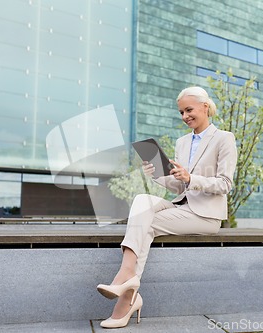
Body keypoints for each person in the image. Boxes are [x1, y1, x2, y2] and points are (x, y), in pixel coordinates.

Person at [96, 86, 238, 328]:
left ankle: (126, 293)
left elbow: (225, 184)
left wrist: (191, 178)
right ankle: (127, 282)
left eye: (189, 110)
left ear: (205, 106)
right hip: (181, 206)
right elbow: (179, 187)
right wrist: (156, 175)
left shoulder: (224, 138)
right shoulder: (182, 142)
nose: (185, 116)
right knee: (142, 201)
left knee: (144, 223)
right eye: (181, 112)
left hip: (205, 216)